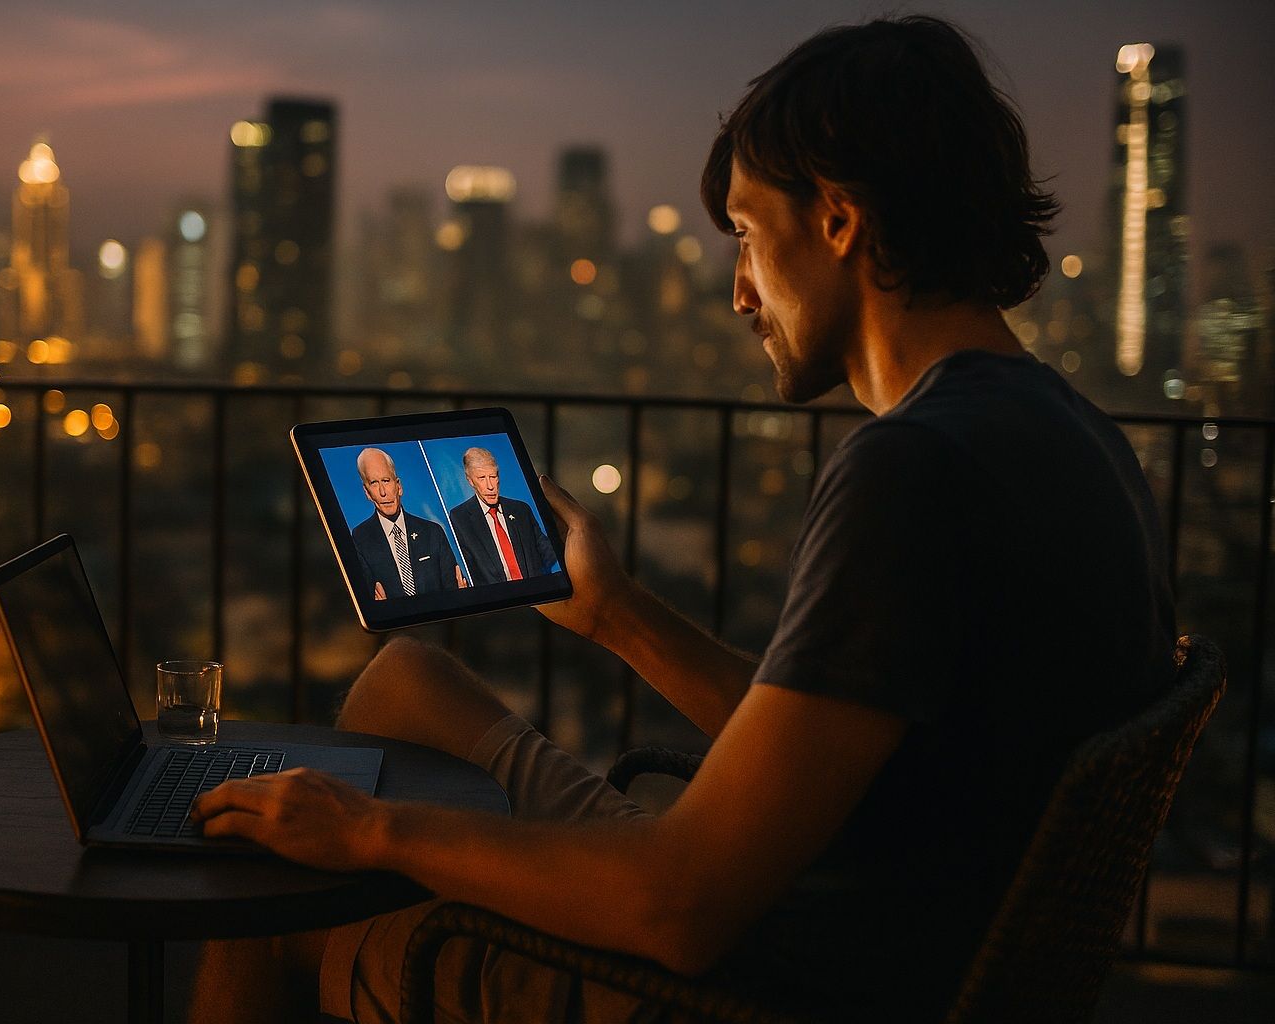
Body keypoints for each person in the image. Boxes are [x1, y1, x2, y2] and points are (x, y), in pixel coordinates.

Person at [190, 15, 1175, 1023]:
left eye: (747, 233)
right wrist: (614, 613)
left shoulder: (912, 468)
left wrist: (370, 832)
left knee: (271, 898)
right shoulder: (1072, 434)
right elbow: (837, 748)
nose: (740, 292)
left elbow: (679, 908)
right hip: (834, 904)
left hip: (761, 979)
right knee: (408, 679)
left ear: (839, 220)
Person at [350, 447, 466, 600]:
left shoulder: (432, 532)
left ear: (399, 486)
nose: (383, 492)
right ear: (367, 492)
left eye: (386, 480)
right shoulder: (360, 538)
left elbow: (455, 593)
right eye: (374, 483)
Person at [446, 446, 560, 584]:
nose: (490, 486)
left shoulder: (521, 509)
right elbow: (467, 567)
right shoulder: (460, 518)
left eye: (493, 477)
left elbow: (548, 550)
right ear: (470, 481)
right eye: (482, 478)